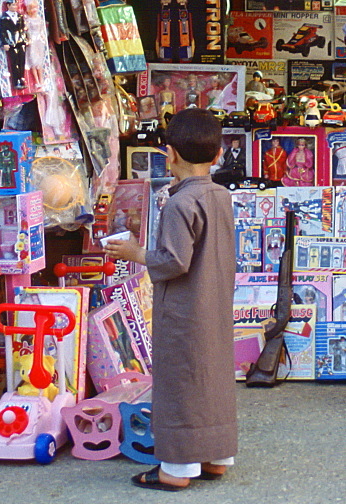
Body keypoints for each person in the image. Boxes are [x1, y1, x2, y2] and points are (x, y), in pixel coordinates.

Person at [107, 107, 237, 490]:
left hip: (184, 309)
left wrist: (135, 253)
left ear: (171, 155)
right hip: (215, 305)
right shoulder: (220, 195)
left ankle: (176, 469)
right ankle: (216, 456)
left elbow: (173, 261)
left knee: (180, 383)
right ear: (217, 156)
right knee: (213, 379)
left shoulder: (180, 203)